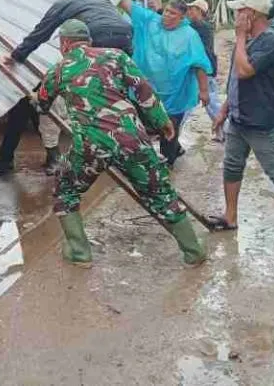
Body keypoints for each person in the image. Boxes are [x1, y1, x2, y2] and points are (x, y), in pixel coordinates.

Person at [36, 19, 206, 268]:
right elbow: (143, 90)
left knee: (66, 190)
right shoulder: (116, 56)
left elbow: (42, 104)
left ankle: (80, 253)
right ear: (89, 41)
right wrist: (162, 121)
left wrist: (38, 99)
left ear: (64, 44)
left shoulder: (58, 70)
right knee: (160, 193)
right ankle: (194, 252)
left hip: (90, 145)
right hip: (132, 139)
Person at [0, 0, 132, 176]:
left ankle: (85, 154)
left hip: (96, 36)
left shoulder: (66, 1)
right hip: (125, 37)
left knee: (75, 103)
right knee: (109, 96)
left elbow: (42, 31)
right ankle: (120, 149)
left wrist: (17, 55)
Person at [209, 0, 274, 247]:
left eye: (240, 11)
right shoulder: (248, 41)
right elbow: (235, 80)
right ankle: (230, 216)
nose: (236, 15)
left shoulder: (270, 42)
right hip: (239, 118)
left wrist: (240, 36)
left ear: (252, 14)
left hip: (260, 121)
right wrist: (224, 110)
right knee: (231, 167)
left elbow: (244, 71)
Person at [119, 0, 212, 166]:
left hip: (176, 95)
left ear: (182, 17)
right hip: (147, 92)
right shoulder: (150, 21)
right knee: (139, 129)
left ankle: (168, 166)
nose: (167, 15)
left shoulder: (190, 36)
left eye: (173, 13)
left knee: (169, 133)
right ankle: (144, 165)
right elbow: (125, 3)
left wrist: (204, 91)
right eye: (167, 10)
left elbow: (199, 64)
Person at [186, 0, 224, 142]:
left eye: (192, 9)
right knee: (211, 104)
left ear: (200, 11)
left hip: (204, 70)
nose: (189, 12)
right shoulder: (202, 26)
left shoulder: (201, 27)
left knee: (210, 103)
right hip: (204, 69)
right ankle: (223, 133)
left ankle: (226, 132)